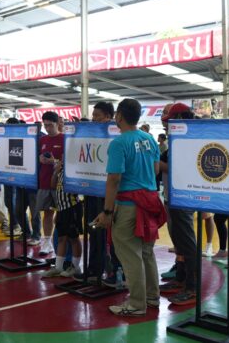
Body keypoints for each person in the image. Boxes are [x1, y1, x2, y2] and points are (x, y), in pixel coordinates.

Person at [94, 98, 166, 316]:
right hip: (150, 202)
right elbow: (155, 171)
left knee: (130, 253)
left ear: (119, 116)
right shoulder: (149, 139)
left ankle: (136, 304)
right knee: (146, 252)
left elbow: (114, 179)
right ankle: (152, 296)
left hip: (128, 205)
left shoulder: (119, 143)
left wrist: (107, 211)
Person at [158, 102, 199, 306]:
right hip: (172, 196)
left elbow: (179, 169)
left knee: (187, 243)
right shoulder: (176, 139)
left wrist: (157, 163)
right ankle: (181, 277)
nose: (165, 125)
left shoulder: (187, 140)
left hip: (184, 197)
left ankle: (192, 287)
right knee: (180, 243)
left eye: (169, 120)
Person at [74, 102, 114, 284]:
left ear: (108, 117)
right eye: (93, 115)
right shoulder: (91, 135)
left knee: (103, 234)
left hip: (106, 193)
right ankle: (93, 268)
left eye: (97, 115)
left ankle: (107, 270)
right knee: (92, 230)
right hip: (91, 190)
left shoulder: (114, 137)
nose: (94, 118)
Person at [42, 154, 83, 278]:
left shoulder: (75, 168)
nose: (63, 156)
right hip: (61, 208)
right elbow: (53, 185)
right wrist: (56, 171)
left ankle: (75, 267)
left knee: (73, 238)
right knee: (61, 238)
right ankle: (58, 267)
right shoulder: (61, 168)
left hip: (72, 207)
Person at [36, 111, 63, 256]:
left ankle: (59, 242)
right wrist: (40, 159)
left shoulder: (64, 139)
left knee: (61, 214)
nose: (47, 128)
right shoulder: (42, 140)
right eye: (45, 125)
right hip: (45, 181)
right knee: (47, 213)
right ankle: (46, 242)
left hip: (60, 184)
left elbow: (69, 161)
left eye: (50, 125)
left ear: (57, 123)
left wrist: (55, 161)